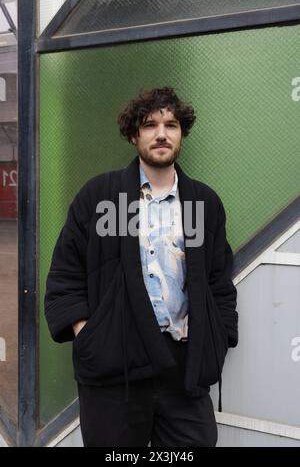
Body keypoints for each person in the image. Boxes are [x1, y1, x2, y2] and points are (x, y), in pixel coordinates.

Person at [45, 86, 238, 447]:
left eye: (172, 124)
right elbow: (65, 274)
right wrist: (90, 333)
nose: (162, 133)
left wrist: (219, 337)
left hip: (184, 369)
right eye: (150, 125)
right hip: (115, 368)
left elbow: (219, 281)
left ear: (182, 134)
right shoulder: (101, 196)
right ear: (134, 135)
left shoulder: (203, 202)